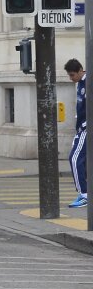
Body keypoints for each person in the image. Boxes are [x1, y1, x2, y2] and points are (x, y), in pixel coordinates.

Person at [65, 59, 87, 208]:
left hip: (87, 127)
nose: (71, 78)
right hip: (81, 127)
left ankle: (85, 194)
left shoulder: (89, 83)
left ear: (80, 71)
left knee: (74, 158)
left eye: (72, 75)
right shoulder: (80, 84)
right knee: (82, 161)